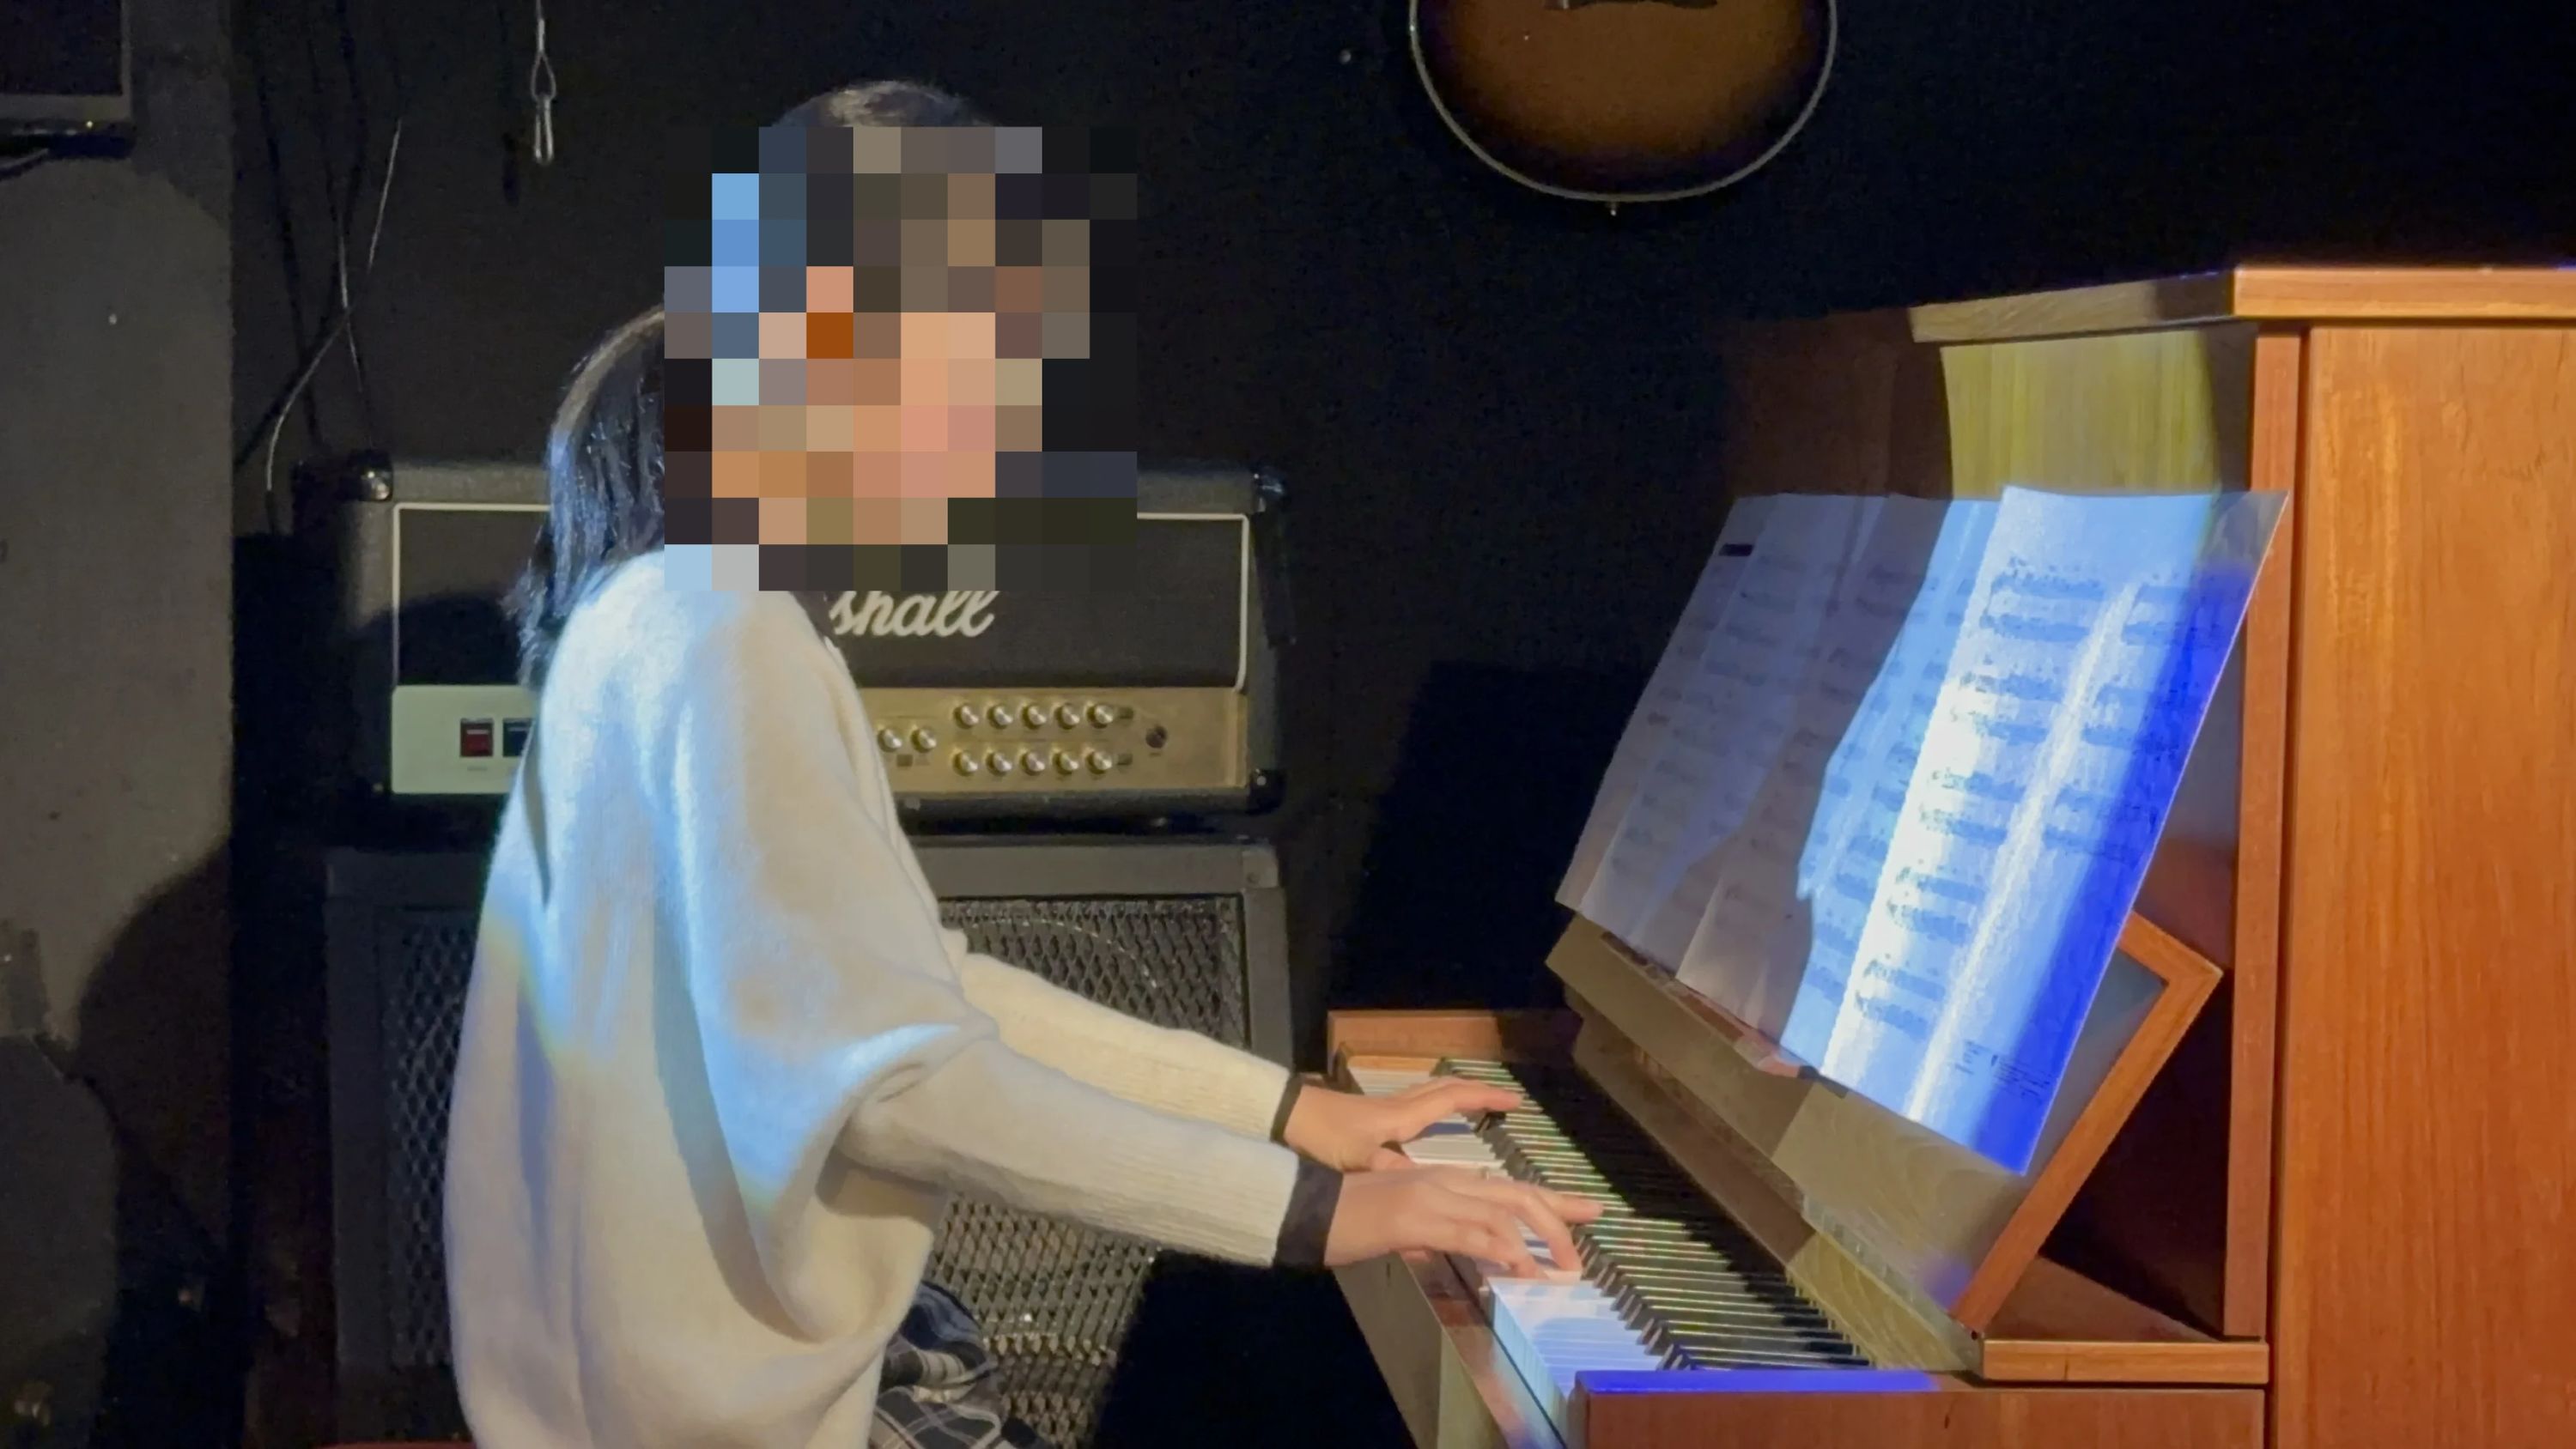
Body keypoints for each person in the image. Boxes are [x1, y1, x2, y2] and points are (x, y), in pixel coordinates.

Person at [440, 78, 1595, 1449]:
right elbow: (894, 1081)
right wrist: (1316, 1214)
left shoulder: (667, 599)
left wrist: (1286, 1114)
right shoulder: (725, 632)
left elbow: (914, 999)